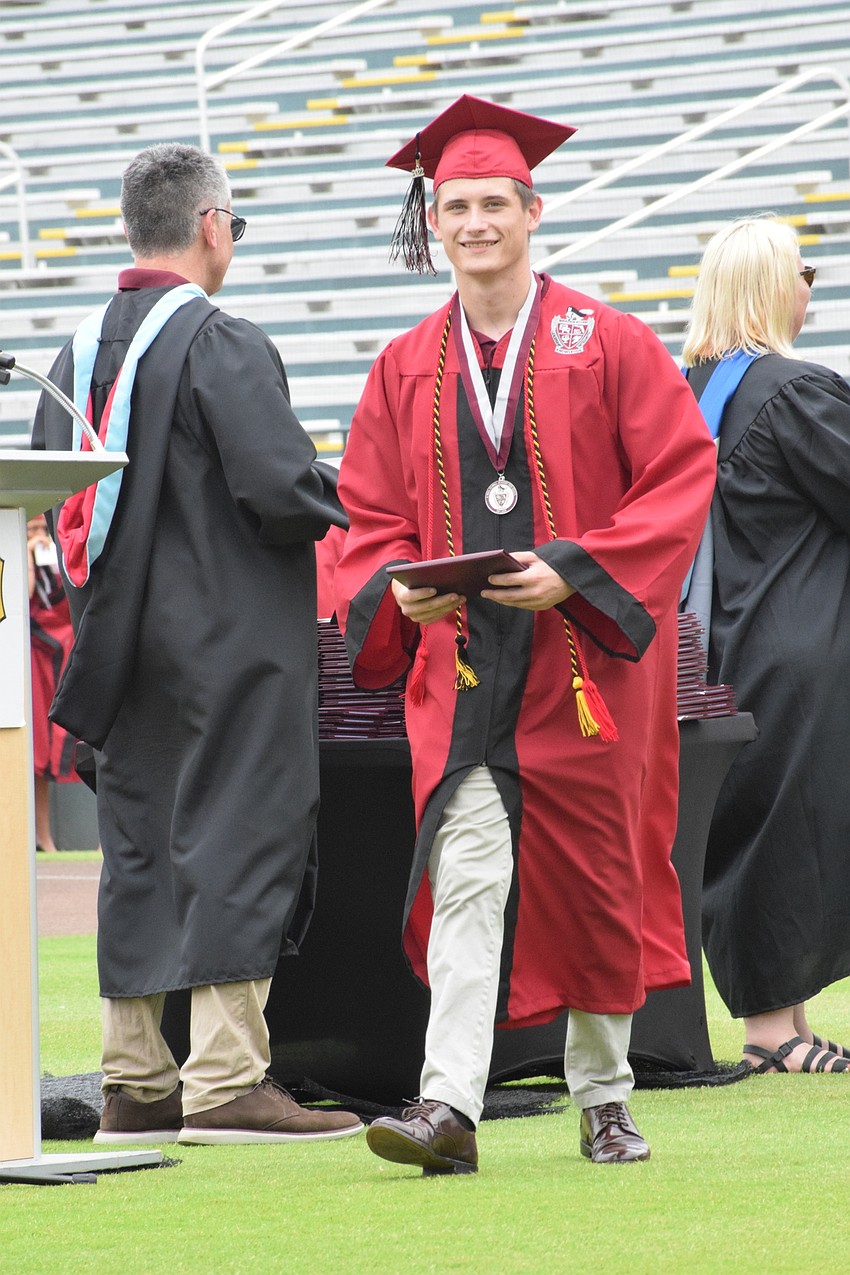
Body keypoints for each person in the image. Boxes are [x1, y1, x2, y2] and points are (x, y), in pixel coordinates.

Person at [332, 95, 717, 1172]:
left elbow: (680, 475)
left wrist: (578, 571)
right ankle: (446, 1104)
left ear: (532, 210)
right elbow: (365, 517)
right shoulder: (404, 362)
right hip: (460, 672)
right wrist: (397, 590)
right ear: (435, 219)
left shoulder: (609, 340)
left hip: (583, 665)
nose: (474, 222)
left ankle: (603, 1096)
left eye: (494, 201)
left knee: (597, 882)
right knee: (467, 874)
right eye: (455, 204)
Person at [30, 142, 363, 1145]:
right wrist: (332, 489)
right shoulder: (221, 339)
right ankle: (226, 1080)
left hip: (118, 649)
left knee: (137, 853)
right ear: (212, 225)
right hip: (228, 649)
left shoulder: (74, 355)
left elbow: (58, 502)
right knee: (237, 838)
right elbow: (275, 489)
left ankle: (135, 1082)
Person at [681, 215, 850, 1075]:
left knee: (754, 826)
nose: (810, 285)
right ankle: (776, 1034)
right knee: (793, 827)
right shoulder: (794, 389)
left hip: (717, 646)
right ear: (771, 286)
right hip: (800, 640)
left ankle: (781, 1021)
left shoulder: (686, 390)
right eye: (803, 269)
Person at [27, 513, 80, 854]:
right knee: (38, 754)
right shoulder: (18, 561)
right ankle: (43, 840)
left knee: (83, 749)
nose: (39, 536)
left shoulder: (61, 560)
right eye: (31, 529)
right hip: (35, 661)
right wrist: (28, 557)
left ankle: (109, 843)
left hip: (68, 657)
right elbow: (20, 598)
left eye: (42, 529)